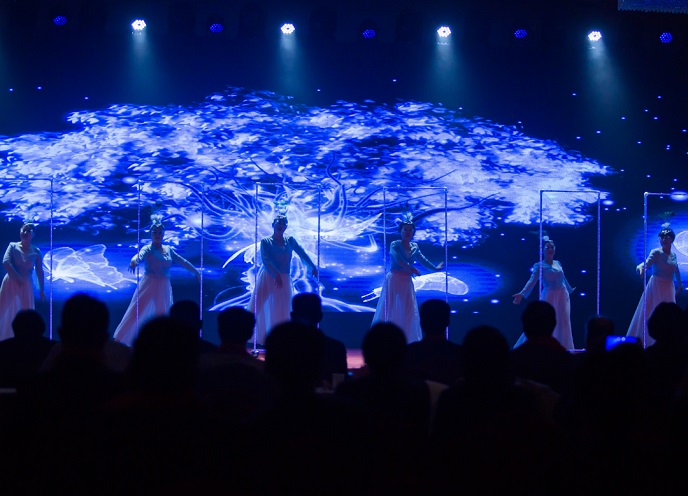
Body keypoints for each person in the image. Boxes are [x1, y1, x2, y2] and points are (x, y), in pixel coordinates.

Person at [113, 217, 200, 346]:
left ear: (163, 234)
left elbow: (183, 261)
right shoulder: (148, 248)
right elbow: (139, 255)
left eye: (160, 232)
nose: (157, 235)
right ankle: (118, 341)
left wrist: (196, 272)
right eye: (155, 232)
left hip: (164, 285)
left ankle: (163, 344)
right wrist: (134, 261)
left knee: (163, 314)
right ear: (151, 234)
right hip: (149, 283)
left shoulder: (168, 249)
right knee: (135, 312)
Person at [247, 215, 318, 345]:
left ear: (286, 227)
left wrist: (312, 266)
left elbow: (302, 253)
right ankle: (242, 333)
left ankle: (281, 339)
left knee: (283, 308)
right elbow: (266, 260)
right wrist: (276, 274)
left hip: (284, 277)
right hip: (268, 276)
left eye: (284, 224)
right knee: (257, 305)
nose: (281, 226)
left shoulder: (290, 240)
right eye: (278, 223)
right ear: (273, 225)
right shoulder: (266, 241)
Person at [372, 217, 444, 343]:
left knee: (408, 309)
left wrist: (435, 268)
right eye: (405, 230)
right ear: (400, 231)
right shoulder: (395, 244)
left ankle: (407, 339)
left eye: (410, 230)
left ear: (413, 232)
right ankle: (386, 339)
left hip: (406, 281)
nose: (408, 232)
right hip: (394, 280)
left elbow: (422, 259)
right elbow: (398, 260)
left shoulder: (415, 246)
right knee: (391, 307)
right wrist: (412, 268)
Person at [512, 237, 575, 350]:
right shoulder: (539, 266)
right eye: (547, 247)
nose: (550, 249)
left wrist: (569, 289)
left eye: (552, 247)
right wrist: (522, 293)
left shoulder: (558, 263)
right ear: (542, 250)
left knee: (564, 321)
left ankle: (563, 348)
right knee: (546, 320)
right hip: (549, 295)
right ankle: (541, 346)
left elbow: (563, 278)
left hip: (563, 295)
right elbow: (532, 281)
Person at [627, 226, 683, 346]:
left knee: (668, 314)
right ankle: (648, 342)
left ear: (672, 239)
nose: (664, 239)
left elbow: (675, 268)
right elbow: (645, 264)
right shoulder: (656, 252)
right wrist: (641, 268)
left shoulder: (673, 254)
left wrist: (680, 284)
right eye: (661, 237)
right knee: (652, 311)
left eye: (666, 237)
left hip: (668, 287)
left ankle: (668, 342)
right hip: (657, 285)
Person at [0, 223, 46, 341]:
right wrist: (17, 277)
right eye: (23, 230)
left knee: (26, 310)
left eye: (28, 231)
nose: (25, 233)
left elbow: (40, 271)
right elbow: (6, 261)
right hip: (10, 282)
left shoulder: (36, 251)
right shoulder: (12, 246)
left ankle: (27, 339)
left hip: (26, 284)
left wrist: (42, 290)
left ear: (33, 234)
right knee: (4, 309)